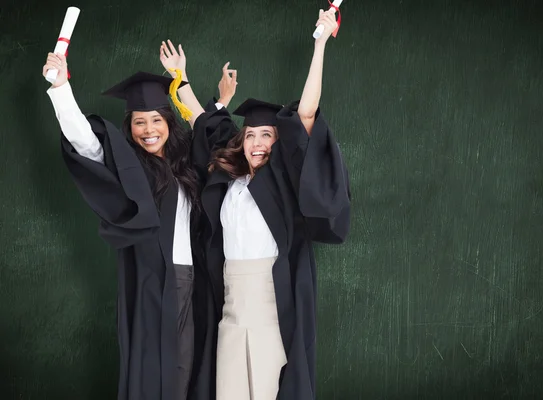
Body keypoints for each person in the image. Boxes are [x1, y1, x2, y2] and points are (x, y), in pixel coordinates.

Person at [42, 40, 237, 400]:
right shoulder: (129, 169)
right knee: (157, 370)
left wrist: (193, 86)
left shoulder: (186, 165)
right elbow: (86, 142)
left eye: (156, 121)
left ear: (168, 123)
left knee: (189, 369)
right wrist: (61, 89)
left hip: (192, 281)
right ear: (129, 126)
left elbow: (216, 139)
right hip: (150, 281)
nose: (148, 130)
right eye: (139, 122)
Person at [192, 9, 351, 399]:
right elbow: (205, 123)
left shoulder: (282, 182)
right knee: (228, 389)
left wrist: (319, 45)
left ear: (279, 142)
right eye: (251, 136)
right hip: (230, 304)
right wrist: (213, 96)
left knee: (266, 389)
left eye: (268, 135)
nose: (259, 142)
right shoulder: (230, 181)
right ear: (241, 142)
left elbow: (307, 112)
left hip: (270, 300)